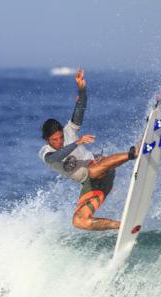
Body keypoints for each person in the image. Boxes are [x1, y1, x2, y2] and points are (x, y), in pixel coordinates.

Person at [39, 68, 138, 231]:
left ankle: (133, 153)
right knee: (78, 221)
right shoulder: (45, 153)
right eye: (54, 140)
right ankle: (124, 226)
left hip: (100, 167)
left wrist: (81, 89)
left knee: (92, 171)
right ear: (46, 140)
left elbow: (80, 108)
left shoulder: (69, 131)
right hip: (91, 185)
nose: (59, 142)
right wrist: (76, 143)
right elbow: (54, 158)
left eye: (60, 138)